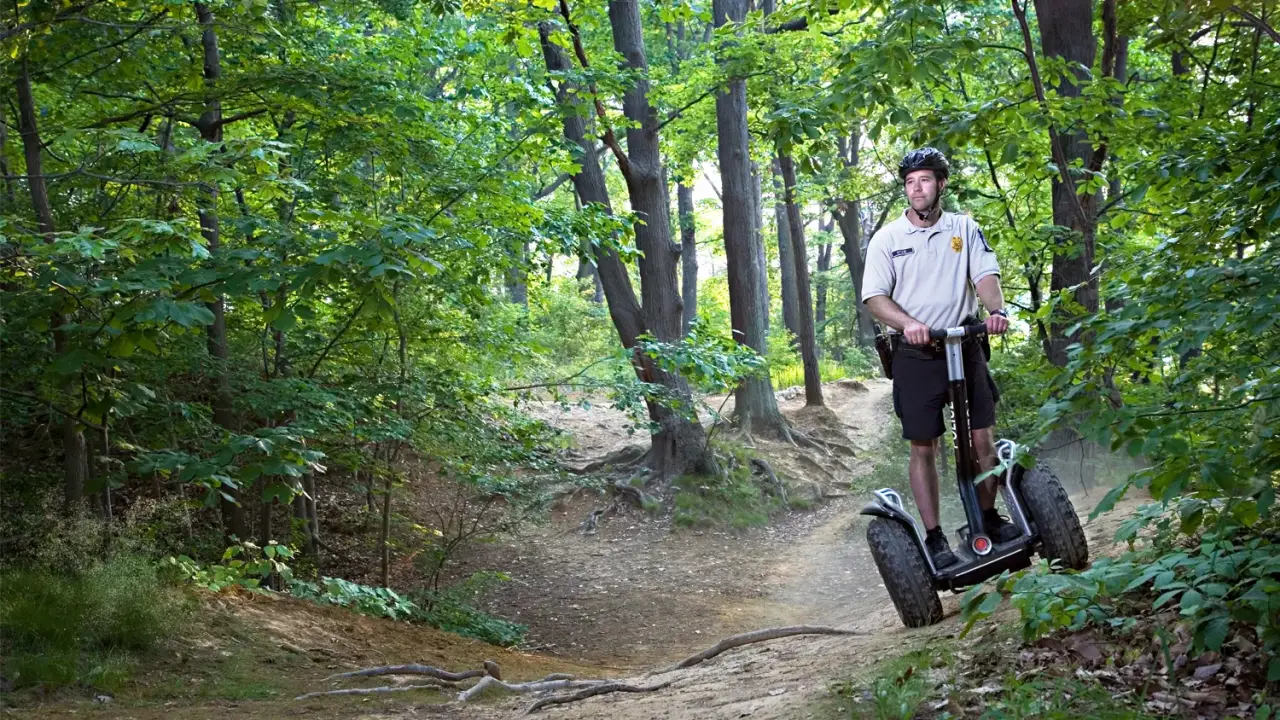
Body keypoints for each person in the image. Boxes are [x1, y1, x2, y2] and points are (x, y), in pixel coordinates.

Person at [860, 147, 1019, 569]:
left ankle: (987, 517)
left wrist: (996, 311)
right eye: (910, 182)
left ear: (940, 184)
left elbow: (984, 275)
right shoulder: (888, 239)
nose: (917, 188)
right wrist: (908, 322)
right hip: (915, 354)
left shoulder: (963, 228)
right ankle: (934, 539)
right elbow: (875, 298)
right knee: (923, 447)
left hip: (964, 343)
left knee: (982, 438)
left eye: (925, 180)